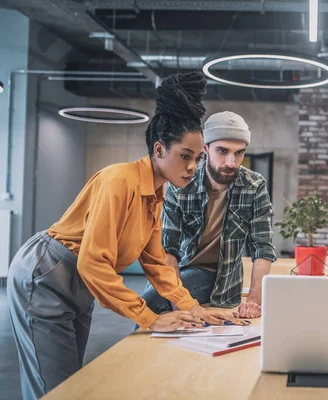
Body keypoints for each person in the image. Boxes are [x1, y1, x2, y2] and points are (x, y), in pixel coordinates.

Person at [7, 72, 245, 400]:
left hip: (80, 283)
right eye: (185, 156)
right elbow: (93, 263)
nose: (192, 167)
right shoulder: (120, 180)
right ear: (159, 149)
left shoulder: (156, 194)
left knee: (72, 382)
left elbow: (156, 263)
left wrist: (191, 306)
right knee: (54, 388)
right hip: (49, 272)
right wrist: (150, 318)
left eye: (197, 158)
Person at [141, 111, 276, 319]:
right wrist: (180, 301)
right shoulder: (180, 185)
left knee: (152, 302)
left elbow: (262, 248)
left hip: (222, 276)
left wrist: (254, 300)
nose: (231, 162)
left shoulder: (254, 186)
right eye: (222, 151)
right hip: (181, 268)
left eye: (239, 153)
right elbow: (168, 249)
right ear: (205, 149)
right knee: (151, 302)